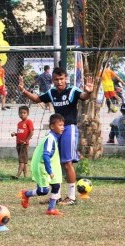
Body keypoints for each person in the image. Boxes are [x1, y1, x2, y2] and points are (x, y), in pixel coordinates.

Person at [19, 67, 94, 205]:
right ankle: (56, 196)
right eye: (56, 79)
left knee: (67, 163)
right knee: (56, 163)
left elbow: (83, 96)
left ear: (66, 78)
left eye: (61, 79)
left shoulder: (72, 91)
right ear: (52, 80)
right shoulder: (52, 92)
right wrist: (24, 91)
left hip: (68, 129)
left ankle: (71, 197)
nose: (59, 82)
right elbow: (37, 99)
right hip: (55, 132)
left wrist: (88, 92)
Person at [19, 114, 65, 215]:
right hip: (42, 166)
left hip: (51, 166)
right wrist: (49, 171)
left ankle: (51, 209)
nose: (63, 127)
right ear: (52, 127)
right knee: (43, 191)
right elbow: (45, 155)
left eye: (63, 125)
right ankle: (26, 194)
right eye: (60, 125)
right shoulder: (50, 139)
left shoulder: (54, 138)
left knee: (56, 185)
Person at [10, 105, 34, 179]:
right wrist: (15, 134)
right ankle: (26, 177)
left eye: (24, 113)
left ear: (27, 113)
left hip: (24, 144)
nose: (22, 114)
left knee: (22, 161)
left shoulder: (29, 122)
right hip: (19, 144)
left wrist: (27, 140)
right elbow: (21, 133)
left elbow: (31, 132)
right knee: (24, 161)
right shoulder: (19, 123)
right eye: (21, 113)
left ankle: (17, 176)